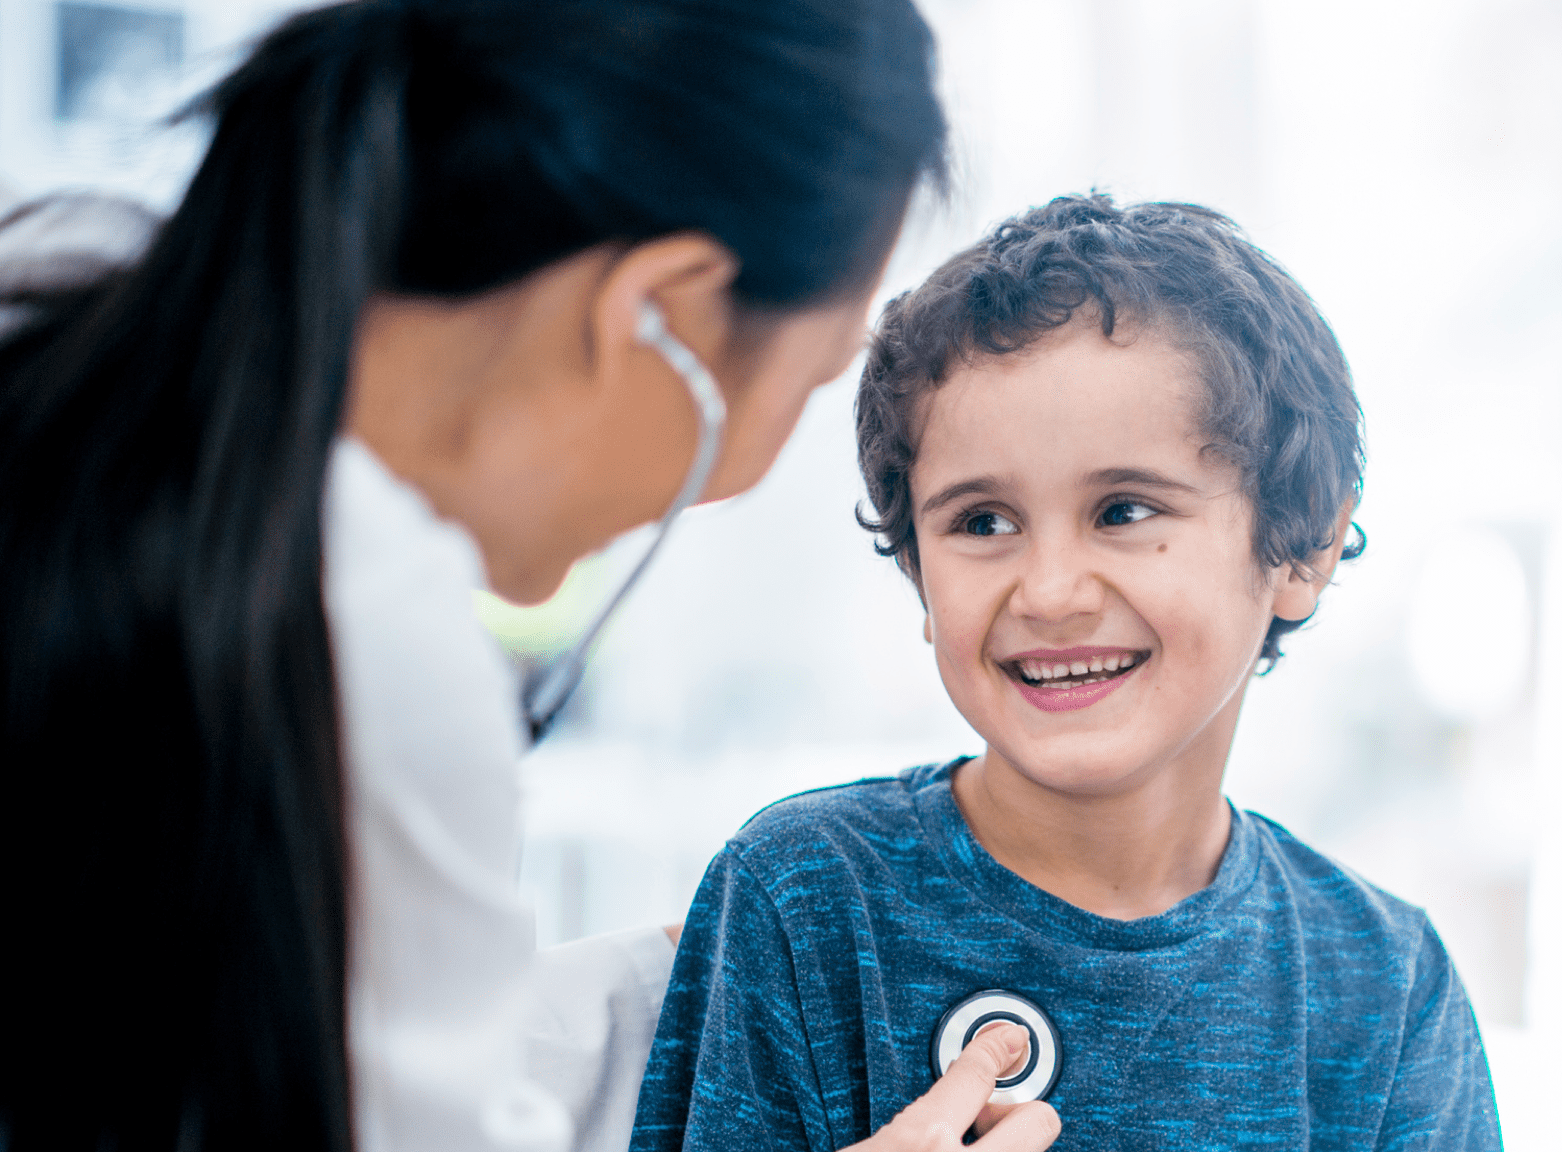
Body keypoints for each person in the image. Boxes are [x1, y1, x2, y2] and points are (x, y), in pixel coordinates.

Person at [0, 2, 1059, 1151]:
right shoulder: (356, 628)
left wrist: (700, 975)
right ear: (656, 315)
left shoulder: (67, 314)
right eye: (807, 381)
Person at [629, 195, 1504, 1150]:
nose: (1048, 592)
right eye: (982, 523)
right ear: (919, 570)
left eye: (1125, 511)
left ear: (1304, 547)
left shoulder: (1385, 981)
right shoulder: (804, 897)